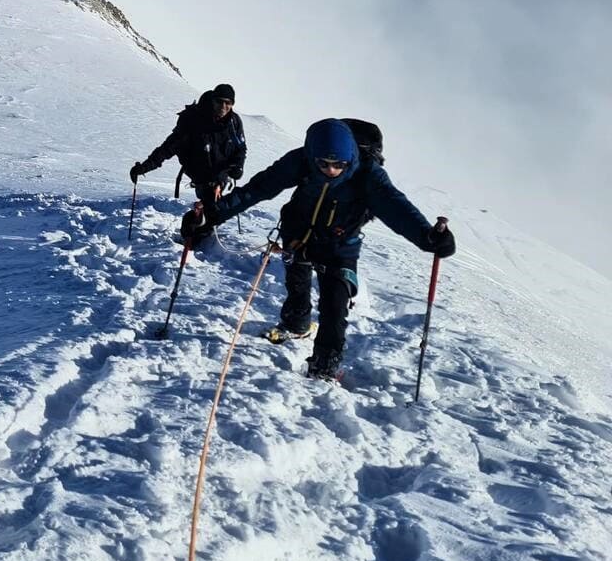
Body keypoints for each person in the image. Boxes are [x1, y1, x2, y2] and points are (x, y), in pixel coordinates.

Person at [181, 118, 455, 381]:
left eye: (339, 164)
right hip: (298, 234)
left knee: (335, 304)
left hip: (340, 245)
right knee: (297, 283)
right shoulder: (301, 160)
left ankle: (326, 363)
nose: (331, 170)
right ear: (312, 155)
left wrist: (428, 237)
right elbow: (258, 189)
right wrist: (211, 216)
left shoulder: (368, 175)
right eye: (323, 163)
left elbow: (397, 209)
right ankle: (296, 325)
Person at [131, 84, 246, 212]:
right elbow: (168, 148)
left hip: (222, 171)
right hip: (199, 170)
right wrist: (144, 167)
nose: (223, 106)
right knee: (211, 203)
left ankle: (204, 212)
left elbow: (240, 148)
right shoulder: (194, 120)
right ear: (213, 100)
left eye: (228, 103)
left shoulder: (234, 122)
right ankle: (202, 218)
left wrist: (238, 166)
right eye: (219, 101)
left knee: (214, 203)